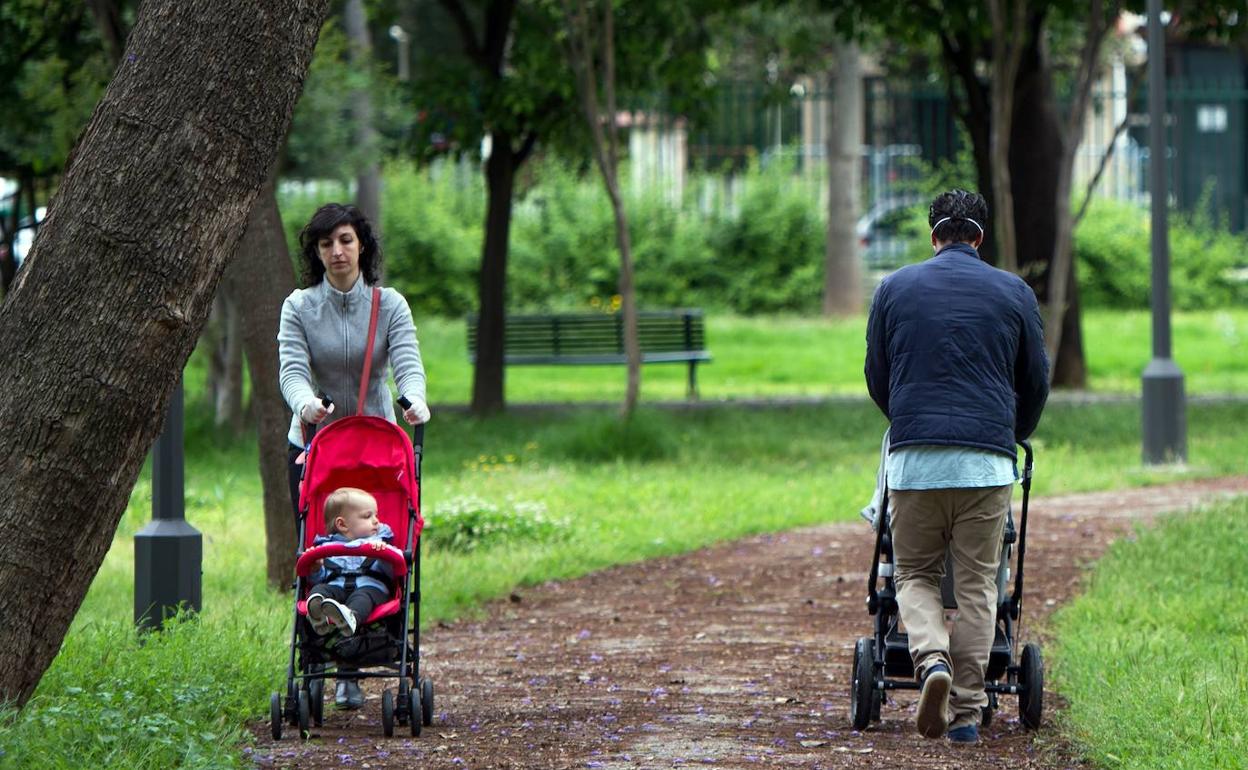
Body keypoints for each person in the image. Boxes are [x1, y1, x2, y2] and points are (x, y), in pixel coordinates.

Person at [864, 189, 1049, 745]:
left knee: (914, 574)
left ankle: (932, 662)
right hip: (987, 465)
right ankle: (967, 712)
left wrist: (909, 421)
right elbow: (1035, 383)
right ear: (980, 238)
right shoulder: (1014, 292)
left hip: (916, 461)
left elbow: (878, 376)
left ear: (933, 234)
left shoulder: (893, 288)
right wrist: (1009, 435)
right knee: (977, 586)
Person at [278, 202, 430, 709]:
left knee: (375, 555)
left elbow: (408, 364)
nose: (337, 251)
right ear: (316, 252)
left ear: (361, 243)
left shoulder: (389, 305)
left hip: (378, 451)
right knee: (326, 557)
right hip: (318, 445)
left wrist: (414, 401)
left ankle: (355, 663)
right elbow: (292, 371)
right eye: (326, 244)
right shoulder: (299, 306)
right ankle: (326, 661)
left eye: (345, 240)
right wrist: (306, 405)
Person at [306, 487, 395, 637]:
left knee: (363, 597)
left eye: (376, 515)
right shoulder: (325, 547)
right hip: (336, 588)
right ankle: (318, 615)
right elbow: (319, 579)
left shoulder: (379, 542)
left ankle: (350, 618)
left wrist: (385, 555)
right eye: (368, 516)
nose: (376, 521)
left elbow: (393, 573)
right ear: (342, 525)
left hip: (370, 587)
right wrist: (315, 568)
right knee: (320, 590)